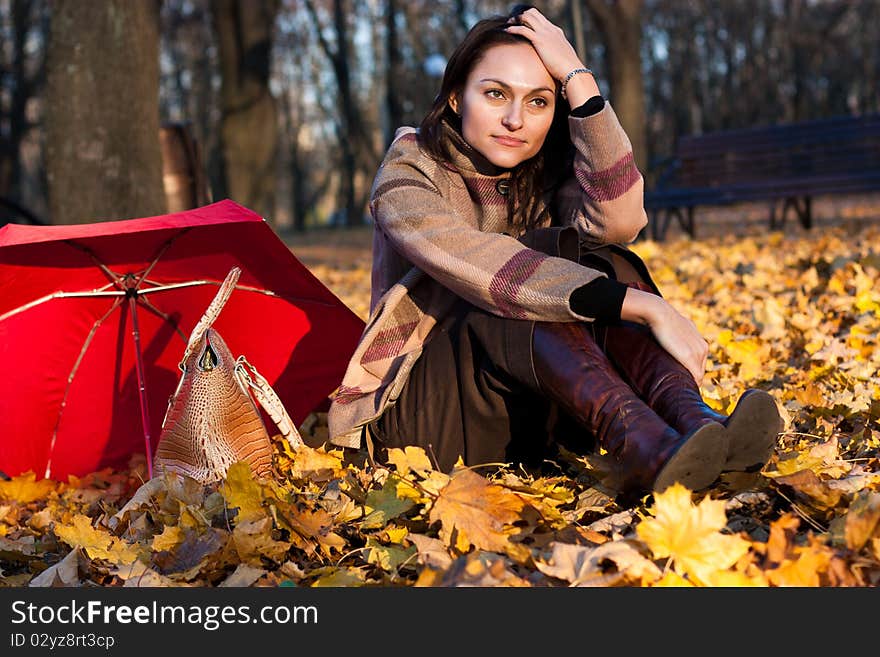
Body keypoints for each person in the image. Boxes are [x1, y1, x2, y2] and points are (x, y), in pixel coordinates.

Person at [326, 5, 783, 498]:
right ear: (457, 97)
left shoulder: (542, 173)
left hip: (530, 410)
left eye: (539, 102)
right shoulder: (409, 169)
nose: (515, 119)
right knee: (511, 292)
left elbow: (621, 222)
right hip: (422, 423)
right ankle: (643, 445)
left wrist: (578, 81)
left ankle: (692, 423)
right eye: (496, 94)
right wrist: (646, 306)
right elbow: (479, 265)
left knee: (603, 259)